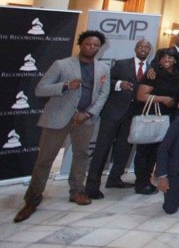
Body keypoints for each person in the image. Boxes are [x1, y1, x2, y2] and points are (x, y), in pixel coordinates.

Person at [14, 31, 111, 223]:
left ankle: (77, 190)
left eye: (95, 46)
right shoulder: (62, 64)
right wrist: (66, 85)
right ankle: (32, 198)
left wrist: (88, 114)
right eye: (88, 44)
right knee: (45, 159)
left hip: (85, 118)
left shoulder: (103, 68)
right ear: (80, 45)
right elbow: (40, 89)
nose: (91, 48)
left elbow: (103, 93)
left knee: (81, 156)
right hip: (58, 117)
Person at [85, 38, 151, 199]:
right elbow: (107, 81)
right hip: (113, 112)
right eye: (140, 46)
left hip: (133, 115)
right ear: (135, 48)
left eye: (147, 47)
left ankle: (114, 178)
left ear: (150, 51)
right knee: (102, 148)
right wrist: (119, 84)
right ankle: (92, 185)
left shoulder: (151, 69)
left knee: (124, 149)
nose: (143, 49)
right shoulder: (122, 64)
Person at [133, 49, 179, 195]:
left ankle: (148, 179)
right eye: (164, 57)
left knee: (158, 150)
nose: (167, 59)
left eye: (170, 57)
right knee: (145, 151)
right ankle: (141, 182)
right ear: (159, 60)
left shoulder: (178, 74)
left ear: (175, 60)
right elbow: (141, 95)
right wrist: (162, 99)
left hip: (169, 117)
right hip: (152, 116)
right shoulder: (153, 74)